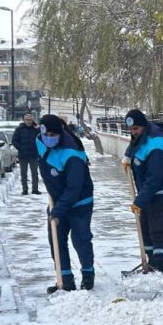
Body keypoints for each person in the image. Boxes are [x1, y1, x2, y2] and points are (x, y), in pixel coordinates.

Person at [37, 114, 96, 292]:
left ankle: (88, 276)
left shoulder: (72, 154)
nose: (49, 139)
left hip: (79, 202)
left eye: (53, 135)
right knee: (56, 240)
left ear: (60, 134)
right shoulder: (40, 142)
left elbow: (74, 188)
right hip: (57, 201)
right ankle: (65, 280)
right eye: (46, 135)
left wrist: (57, 211)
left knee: (81, 239)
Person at [123, 109, 163, 283]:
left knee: (157, 232)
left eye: (136, 128)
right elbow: (136, 145)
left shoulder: (158, 146)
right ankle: (152, 265)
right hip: (147, 195)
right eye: (130, 129)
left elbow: (154, 179)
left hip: (160, 196)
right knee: (145, 232)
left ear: (144, 126)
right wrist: (128, 156)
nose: (133, 132)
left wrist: (139, 201)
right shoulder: (142, 138)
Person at [12, 113, 41, 195]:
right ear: (24, 120)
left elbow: (41, 138)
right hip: (23, 155)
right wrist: (20, 148)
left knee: (34, 173)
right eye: (27, 120)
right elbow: (14, 140)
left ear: (32, 120)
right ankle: (25, 189)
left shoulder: (35, 129)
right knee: (23, 174)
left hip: (34, 154)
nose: (29, 121)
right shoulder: (19, 129)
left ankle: (35, 189)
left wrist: (37, 128)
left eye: (30, 120)